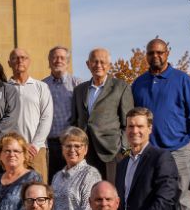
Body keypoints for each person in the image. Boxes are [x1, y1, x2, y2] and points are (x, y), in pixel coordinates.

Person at [131, 38, 190, 210]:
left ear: (167, 53)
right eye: (151, 53)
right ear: (146, 55)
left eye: (159, 52)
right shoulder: (138, 84)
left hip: (179, 149)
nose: (155, 56)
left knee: (183, 201)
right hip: (151, 152)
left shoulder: (182, 80)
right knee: (154, 198)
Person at [71, 47, 133, 179]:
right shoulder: (79, 90)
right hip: (84, 152)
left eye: (103, 62)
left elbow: (127, 122)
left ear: (109, 65)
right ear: (88, 64)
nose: (98, 65)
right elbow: (74, 121)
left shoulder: (121, 87)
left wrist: (122, 148)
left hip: (110, 152)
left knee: (110, 193)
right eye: (94, 61)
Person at [7, 48, 53, 178]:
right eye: (15, 58)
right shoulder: (3, 89)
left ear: (29, 62)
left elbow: (46, 117)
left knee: (39, 191)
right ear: (9, 63)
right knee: (14, 192)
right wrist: (17, 145)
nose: (20, 60)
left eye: (24, 57)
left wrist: (35, 145)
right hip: (12, 150)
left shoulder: (41, 87)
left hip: (36, 151)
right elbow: (2, 122)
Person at [51, 127, 104, 210]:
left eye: (77, 146)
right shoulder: (57, 177)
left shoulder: (90, 174)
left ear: (85, 149)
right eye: (68, 146)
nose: (72, 150)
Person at [42, 46, 81, 178]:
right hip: (50, 145)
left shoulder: (77, 84)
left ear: (67, 62)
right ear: (49, 61)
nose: (58, 60)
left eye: (62, 58)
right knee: (53, 183)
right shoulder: (42, 86)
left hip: (71, 144)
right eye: (54, 57)